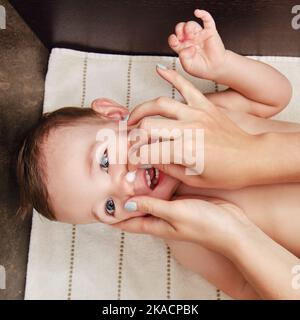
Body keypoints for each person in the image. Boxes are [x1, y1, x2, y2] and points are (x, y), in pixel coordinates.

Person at [16, 10, 300, 299]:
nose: (123, 185)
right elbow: (246, 289)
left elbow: (272, 98)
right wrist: (231, 236)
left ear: (115, 114)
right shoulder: (186, 236)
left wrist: (224, 65)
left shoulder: (192, 122)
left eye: (104, 161)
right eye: (110, 206)